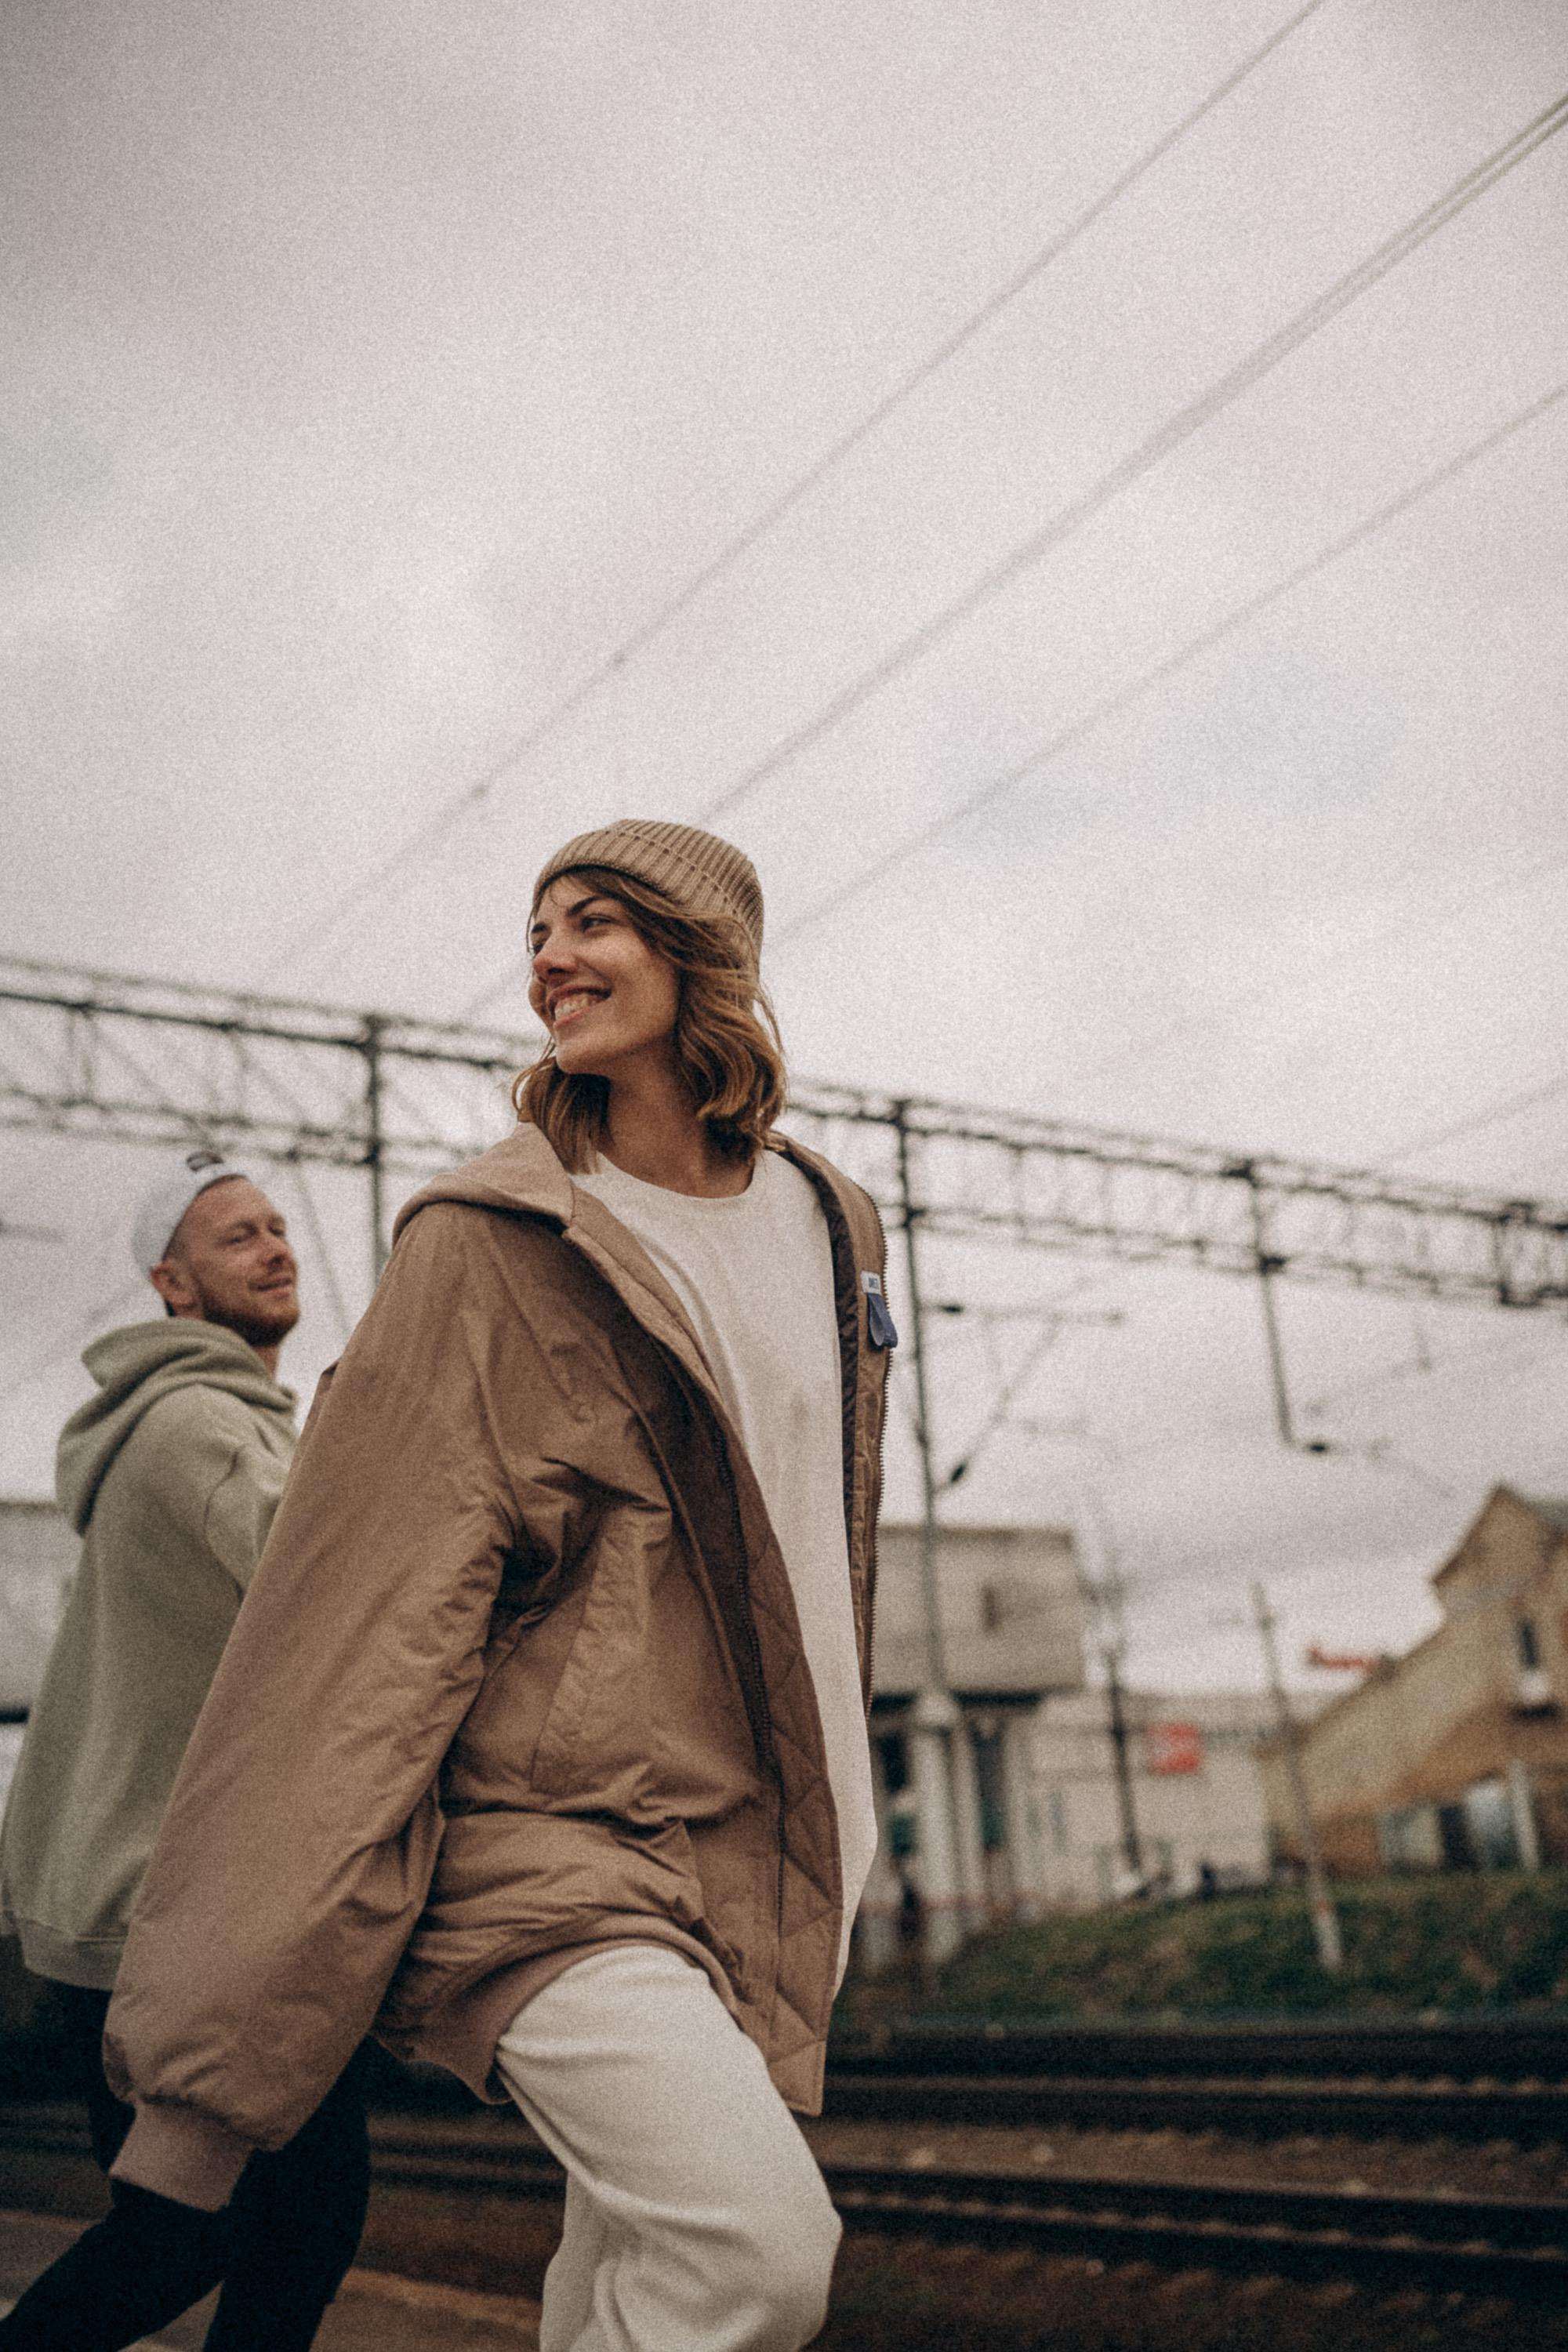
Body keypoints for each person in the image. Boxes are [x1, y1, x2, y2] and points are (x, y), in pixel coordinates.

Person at [99, 820, 895, 2352]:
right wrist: (209, 2084)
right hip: (553, 1848)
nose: (548, 957)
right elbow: (346, 1636)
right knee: (757, 2257)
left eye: (593, 920)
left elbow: (811, 1539)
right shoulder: (488, 1244)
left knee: (622, 2279)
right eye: (538, 928)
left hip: (764, 1840)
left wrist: (827, 1828)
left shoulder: (834, 1224)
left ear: (699, 950)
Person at [0, 1151, 369, 2350]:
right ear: (172, 1281)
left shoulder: (218, 1421)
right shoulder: (197, 1430)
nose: (273, 1246)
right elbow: (322, 1589)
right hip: (159, 1914)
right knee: (219, 2229)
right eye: (234, 1238)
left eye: (275, 1226)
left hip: (155, 1906)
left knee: (272, 2222)